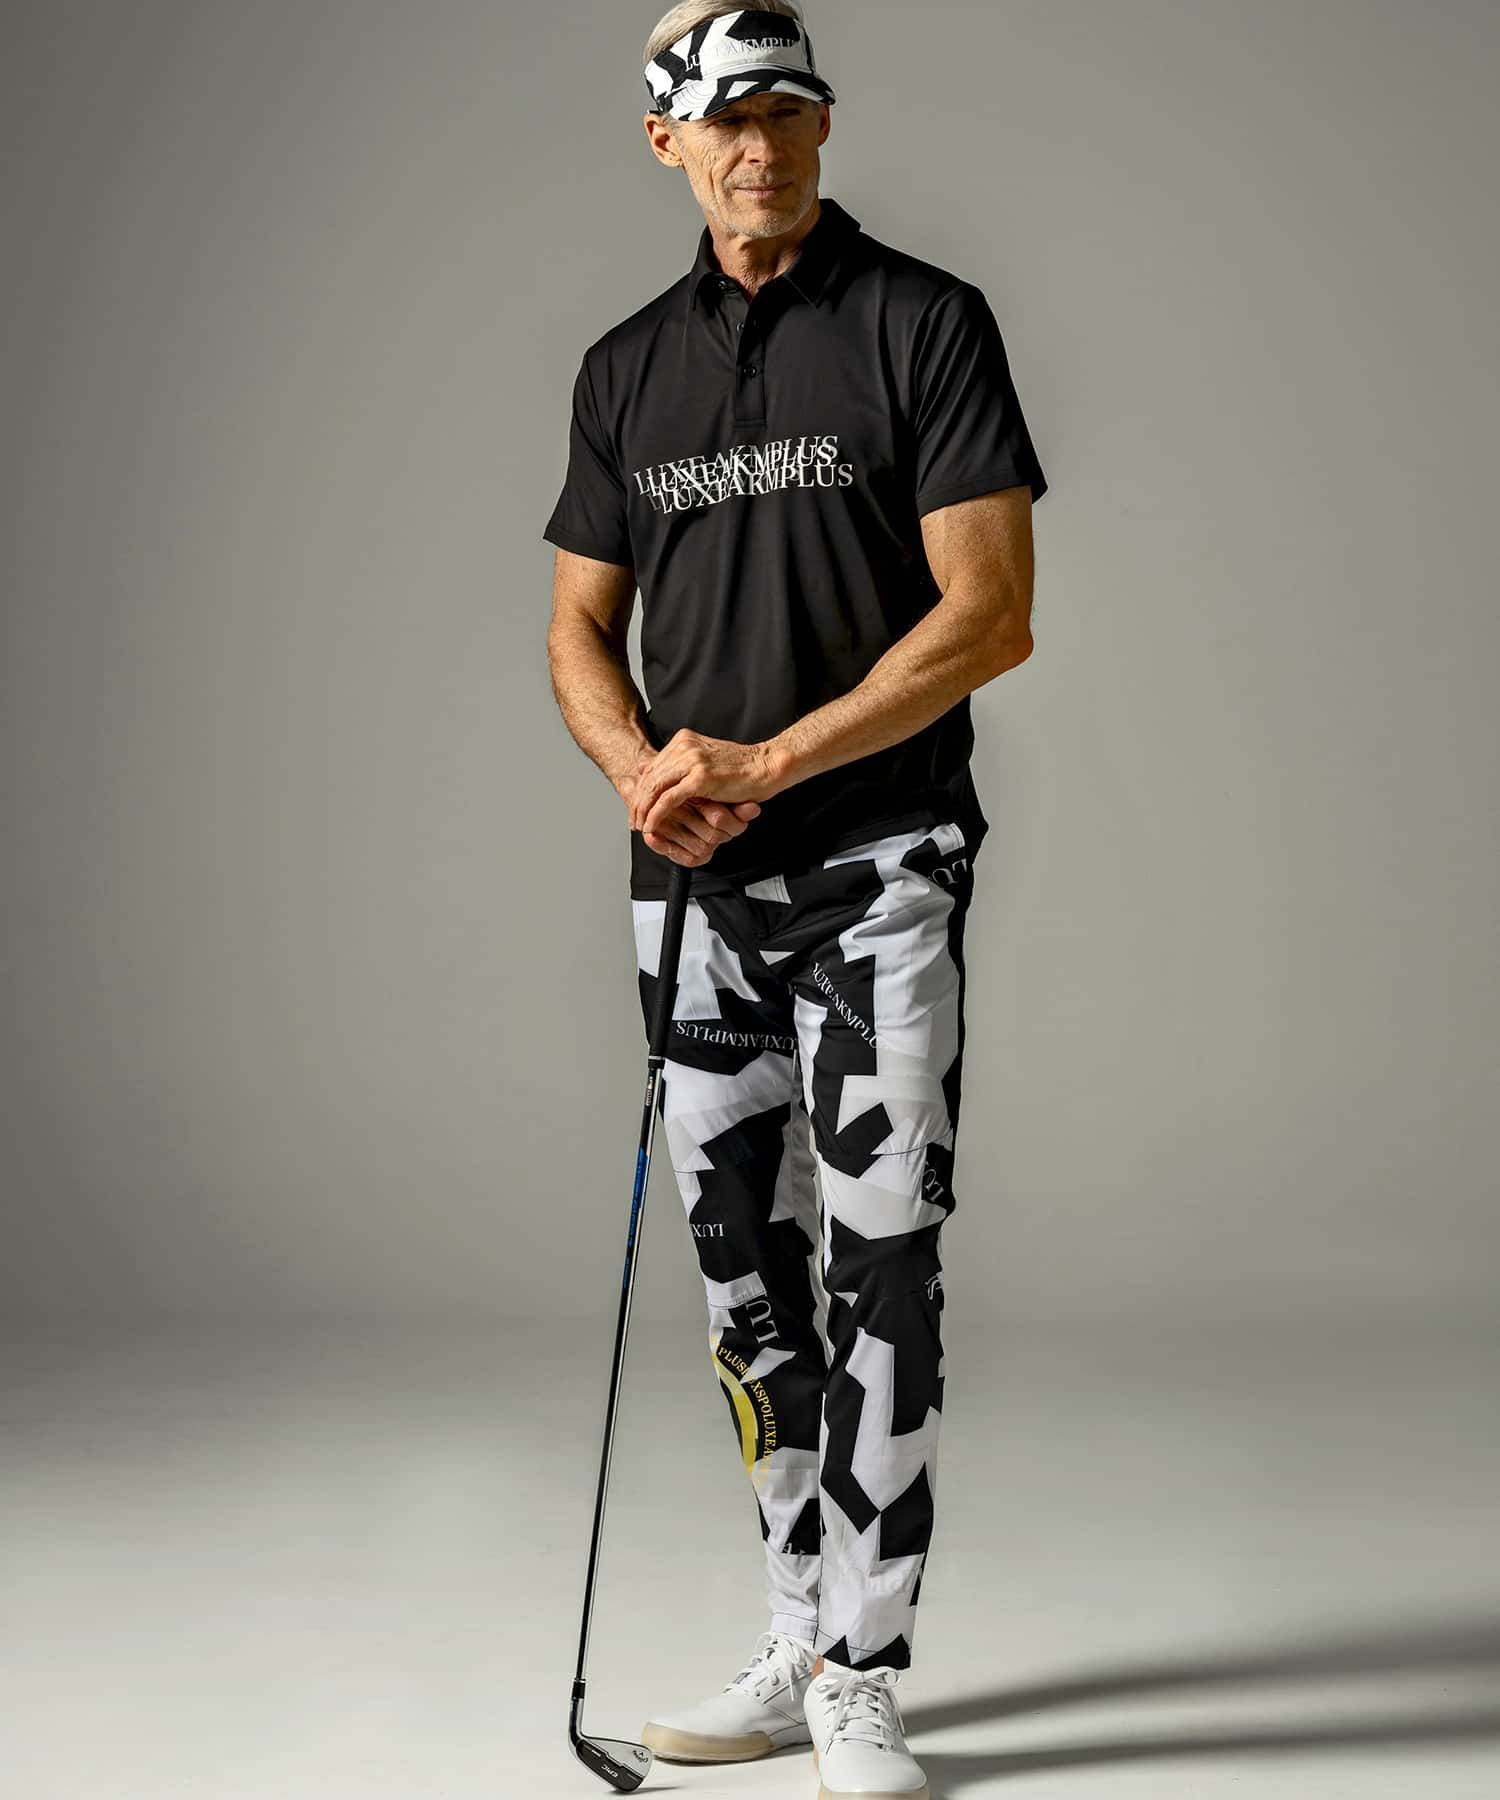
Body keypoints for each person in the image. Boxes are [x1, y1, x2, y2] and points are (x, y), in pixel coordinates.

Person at [542, 6, 1047, 1795]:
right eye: (728, 119)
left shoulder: (923, 321)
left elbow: (990, 614)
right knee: (746, 1279)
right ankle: (795, 1624)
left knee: (884, 1266)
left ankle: (864, 1667)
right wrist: (640, 769)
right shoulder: (625, 370)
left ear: (820, 127)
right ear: (666, 140)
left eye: (788, 113)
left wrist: (770, 759)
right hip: (690, 891)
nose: (762, 147)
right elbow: (578, 623)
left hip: (880, 867)